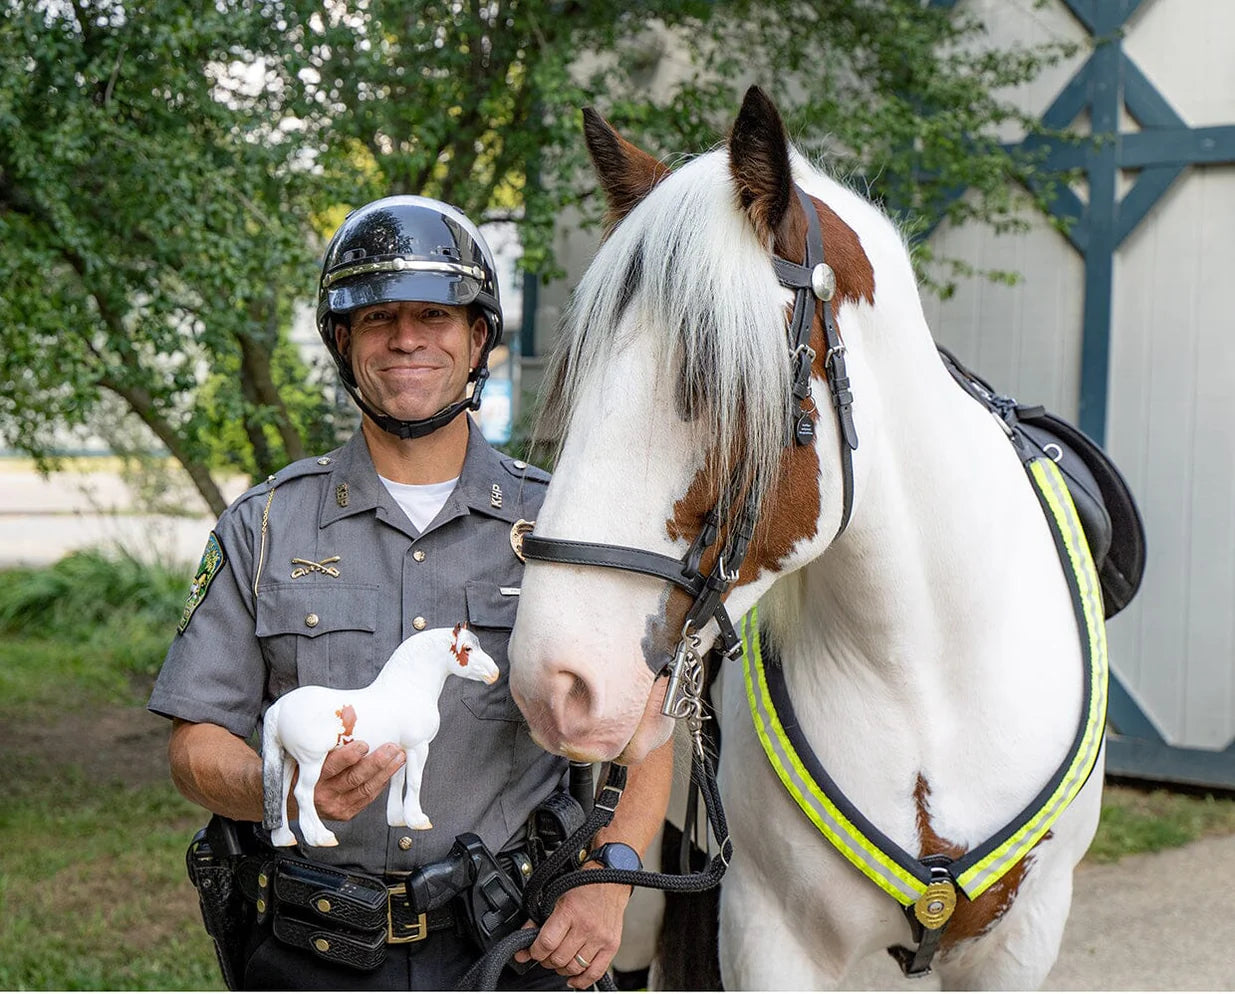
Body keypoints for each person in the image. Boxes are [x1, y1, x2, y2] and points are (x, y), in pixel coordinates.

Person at [149, 195, 673, 990]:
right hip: (311, 951)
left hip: (515, 947)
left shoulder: (563, 523)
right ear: (342, 341)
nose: (406, 338)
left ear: (476, 341)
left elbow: (651, 729)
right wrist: (279, 785)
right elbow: (194, 751)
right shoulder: (263, 528)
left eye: (435, 313)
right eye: (377, 317)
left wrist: (608, 881)